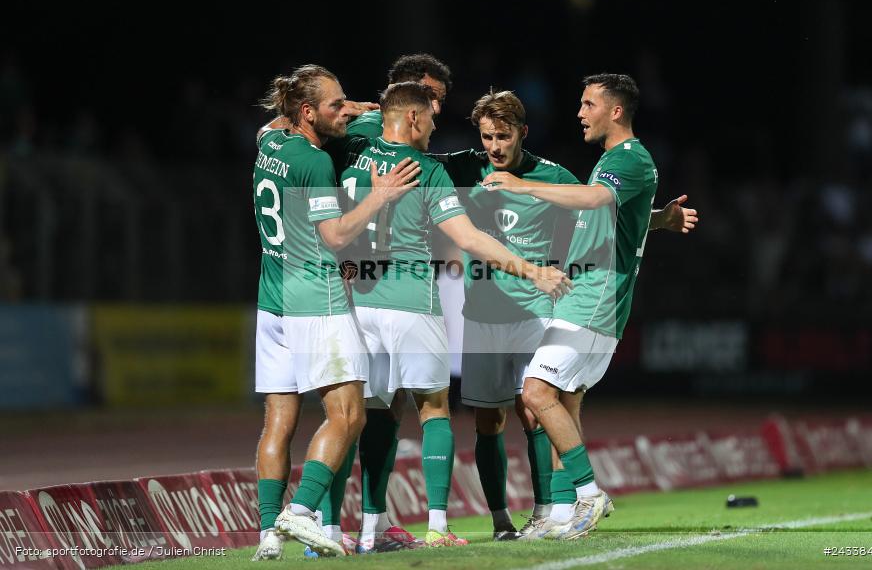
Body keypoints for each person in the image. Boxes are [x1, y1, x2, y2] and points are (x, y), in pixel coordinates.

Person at [434, 89, 697, 540]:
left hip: (540, 308)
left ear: (523, 133)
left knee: (538, 406)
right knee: (488, 420)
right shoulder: (465, 166)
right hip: (482, 314)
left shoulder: (551, 175)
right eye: (487, 137)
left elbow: (597, 209)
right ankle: (501, 520)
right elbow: (412, 155)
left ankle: (550, 510)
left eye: (503, 136)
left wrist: (656, 220)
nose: (495, 146)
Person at [328, 81, 572, 548]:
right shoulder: (428, 170)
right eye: (432, 116)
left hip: (359, 303)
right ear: (415, 118)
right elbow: (469, 237)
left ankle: (355, 528)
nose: (437, 126)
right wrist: (533, 271)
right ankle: (438, 526)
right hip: (412, 300)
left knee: (364, 415)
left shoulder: (351, 150)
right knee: (435, 409)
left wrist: (352, 110)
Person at [259, 53, 454, 553]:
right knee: (350, 415)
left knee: (285, 420)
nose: (433, 107)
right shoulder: (325, 156)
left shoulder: (272, 141)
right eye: (335, 104)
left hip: (273, 295)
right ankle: (307, 517)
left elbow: (271, 127)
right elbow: (336, 232)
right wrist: (382, 194)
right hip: (324, 292)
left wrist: (352, 110)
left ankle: (275, 536)